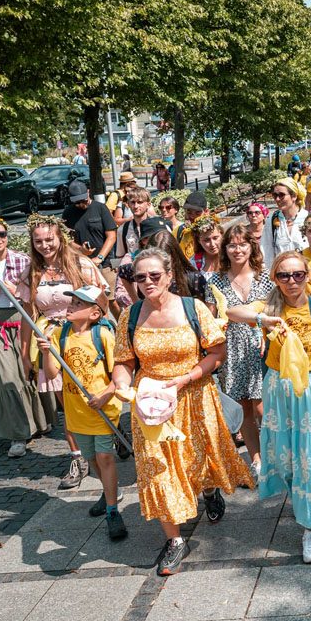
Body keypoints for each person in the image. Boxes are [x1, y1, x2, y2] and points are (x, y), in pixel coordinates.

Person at [111, 248, 254, 576]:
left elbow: (217, 353)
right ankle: (175, 541)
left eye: (154, 276)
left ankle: (208, 489)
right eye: (140, 277)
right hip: (151, 403)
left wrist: (185, 377)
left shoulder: (194, 308)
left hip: (193, 396)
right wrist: (121, 382)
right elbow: (124, 361)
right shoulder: (130, 316)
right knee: (157, 467)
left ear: (170, 276)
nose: (147, 282)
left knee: (196, 459)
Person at [226, 251, 311, 564]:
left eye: (297, 274)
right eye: (283, 275)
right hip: (279, 389)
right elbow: (231, 311)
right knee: (288, 457)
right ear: (275, 279)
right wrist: (263, 319)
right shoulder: (269, 306)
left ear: (307, 275)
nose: (291, 281)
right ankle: (301, 504)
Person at [21, 214, 112, 481]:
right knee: (66, 404)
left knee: (94, 391)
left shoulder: (81, 265)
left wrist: (104, 336)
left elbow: (101, 304)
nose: (44, 245)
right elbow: (27, 316)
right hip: (50, 341)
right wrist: (24, 353)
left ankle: (107, 436)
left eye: (49, 239)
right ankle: (77, 457)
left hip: (82, 336)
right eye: (38, 241)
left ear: (60, 237)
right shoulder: (31, 272)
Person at [35, 286, 127, 540]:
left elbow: (118, 374)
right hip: (76, 412)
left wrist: (106, 394)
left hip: (103, 410)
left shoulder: (104, 336)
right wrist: (46, 352)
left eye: (78, 303)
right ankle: (110, 491)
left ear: (95, 313)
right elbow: (53, 375)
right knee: (92, 458)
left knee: (105, 457)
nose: (71, 305)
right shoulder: (60, 335)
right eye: (72, 301)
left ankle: (112, 511)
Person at [0, 216, 52, 456]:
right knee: (7, 379)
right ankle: (18, 434)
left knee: (29, 372)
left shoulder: (23, 260)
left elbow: (37, 294)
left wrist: (19, 292)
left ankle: (39, 422)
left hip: (23, 321)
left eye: (1, 234)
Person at [206, 224, 273, 476]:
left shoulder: (265, 276)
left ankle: (273, 452)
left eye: (242, 244)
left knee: (262, 406)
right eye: (232, 244)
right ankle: (256, 460)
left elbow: (275, 310)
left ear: (251, 246)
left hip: (260, 345)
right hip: (231, 347)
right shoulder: (215, 281)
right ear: (225, 248)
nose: (237, 249)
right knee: (243, 405)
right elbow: (210, 318)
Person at [62, 179, 118, 291]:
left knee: (111, 300)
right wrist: (80, 249)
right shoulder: (68, 213)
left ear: (88, 192)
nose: (81, 205)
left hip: (104, 264)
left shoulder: (100, 208)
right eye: (77, 203)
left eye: (84, 201)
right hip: (80, 265)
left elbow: (112, 236)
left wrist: (99, 258)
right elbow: (66, 239)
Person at [262, 178, 309, 267]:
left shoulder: (307, 218)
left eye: (281, 195)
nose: (277, 199)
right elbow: (266, 251)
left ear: (294, 196)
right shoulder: (271, 220)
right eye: (275, 195)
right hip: (282, 275)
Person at [113, 187, 154, 265]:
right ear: (128, 204)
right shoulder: (122, 230)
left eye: (140, 202)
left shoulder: (157, 225)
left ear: (148, 204)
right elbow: (120, 257)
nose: (135, 206)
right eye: (132, 202)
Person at [176, 191, 209, 261]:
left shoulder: (211, 232)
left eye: (197, 213)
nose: (192, 216)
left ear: (206, 212)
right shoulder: (179, 231)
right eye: (189, 211)